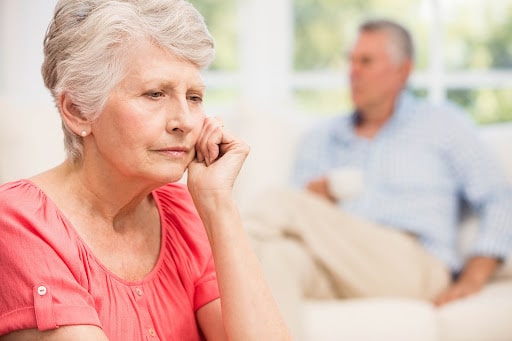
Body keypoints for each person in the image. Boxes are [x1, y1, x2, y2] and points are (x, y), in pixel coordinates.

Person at [0, 1, 292, 340]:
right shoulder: (18, 223)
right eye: (155, 94)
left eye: (194, 97)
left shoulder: (184, 212)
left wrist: (218, 205)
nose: (184, 121)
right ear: (78, 110)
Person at [244, 18, 512, 340]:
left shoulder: (442, 125)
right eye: (351, 60)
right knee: (276, 256)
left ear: (403, 70)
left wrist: (474, 276)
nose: (352, 71)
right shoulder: (322, 138)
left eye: (366, 61)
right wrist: (316, 199)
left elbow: (500, 197)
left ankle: (200, 261)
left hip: (414, 263)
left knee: (281, 202)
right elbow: (297, 220)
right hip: (337, 262)